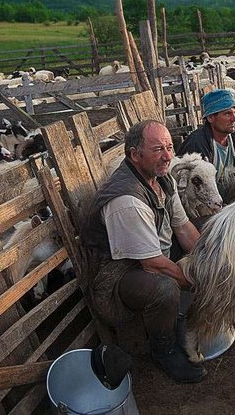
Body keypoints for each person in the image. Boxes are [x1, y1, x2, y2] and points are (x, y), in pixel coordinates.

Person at [80, 119, 207, 384]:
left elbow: (183, 228)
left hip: (143, 257)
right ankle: (164, 349)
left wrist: (208, 261)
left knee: (206, 229)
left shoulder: (161, 179)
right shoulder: (127, 200)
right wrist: (199, 282)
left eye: (170, 147)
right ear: (135, 155)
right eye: (158, 149)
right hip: (114, 278)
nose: (168, 156)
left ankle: (180, 318)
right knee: (165, 288)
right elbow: (153, 265)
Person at [177, 88, 235, 200]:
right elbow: (190, 188)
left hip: (231, 193)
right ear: (211, 118)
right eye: (227, 114)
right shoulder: (196, 145)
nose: (234, 119)